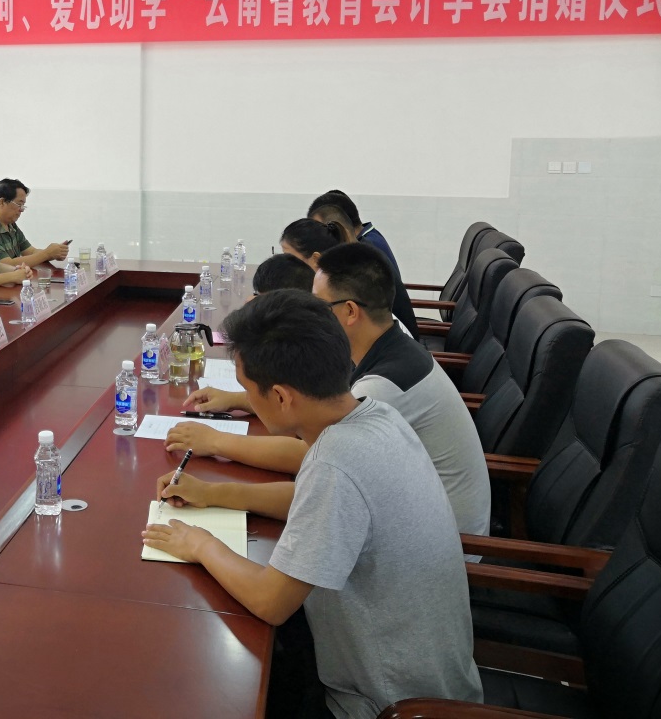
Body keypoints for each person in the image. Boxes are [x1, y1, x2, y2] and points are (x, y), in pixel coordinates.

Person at [143, 291, 482, 719]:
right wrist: (212, 494)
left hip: (388, 704)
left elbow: (271, 601)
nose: (246, 397)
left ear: (281, 398)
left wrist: (199, 544)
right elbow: (314, 502)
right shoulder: (374, 414)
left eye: (247, 389)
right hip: (431, 679)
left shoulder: (336, 463)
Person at [182, 245, 488, 535]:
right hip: (405, 521)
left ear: (350, 311)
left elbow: (310, 457)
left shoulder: (381, 389)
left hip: (446, 541)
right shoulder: (387, 341)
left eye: (319, 304)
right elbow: (315, 406)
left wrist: (217, 443)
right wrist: (242, 398)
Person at [281, 217, 420, 339]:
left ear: (316, 260)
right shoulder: (338, 284)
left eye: (289, 259)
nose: (283, 265)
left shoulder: (343, 291)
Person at [0, 178, 69, 268]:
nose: (22, 210)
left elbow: (31, 252)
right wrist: (47, 253)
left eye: (23, 205)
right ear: (2, 202)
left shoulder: (10, 224)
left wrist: (54, 253)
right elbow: (6, 265)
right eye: (19, 204)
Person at [308, 189, 401, 277]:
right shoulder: (370, 237)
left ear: (339, 221)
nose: (319, 236)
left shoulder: (366, 250)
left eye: (322, 229)